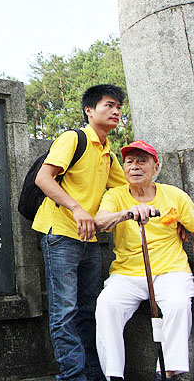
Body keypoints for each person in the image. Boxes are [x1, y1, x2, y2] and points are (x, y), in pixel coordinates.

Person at [32, 84, 127, 380]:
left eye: (118, 108)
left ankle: (93, 374)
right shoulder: (74, 138)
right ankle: (73, 377)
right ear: (89, 110)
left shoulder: (108, 154)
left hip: (91, 240)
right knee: (65, 312)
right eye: (109, 105)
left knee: (89, 310)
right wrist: (77, 208)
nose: (115, 112)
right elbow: (43, 179)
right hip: (60, 234)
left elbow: (127, 191)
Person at [94, 140, 194, 381]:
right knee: (107, 304)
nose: (135, 166)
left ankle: (167, 372)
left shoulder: (175, 195)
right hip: (126, 274)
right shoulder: (115, 195)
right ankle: (113, 375)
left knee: (180, 304)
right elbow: (100, 221)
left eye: (142, 161)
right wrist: (127, 213)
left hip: (172, 270)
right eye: (129, 162)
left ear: (155, 166)